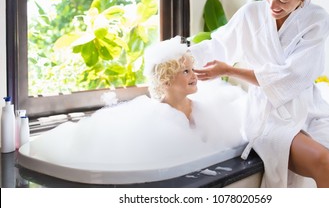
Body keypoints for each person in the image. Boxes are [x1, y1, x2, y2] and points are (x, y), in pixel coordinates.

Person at [190, 0, 329, 188]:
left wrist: (231, 71)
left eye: (282, 1)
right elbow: (218, 46)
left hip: (312, 111)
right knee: (324, 161)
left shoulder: (317, 20)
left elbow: (292, 77)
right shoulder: (250, 14)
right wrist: (179, 56)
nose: (272, 6)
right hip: (268, 114)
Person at [26, 37, 247, 176]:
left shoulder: (203, 110)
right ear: (166, 80)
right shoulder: (155, 119)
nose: (194, 76)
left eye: (192, 68)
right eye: (186, 71)